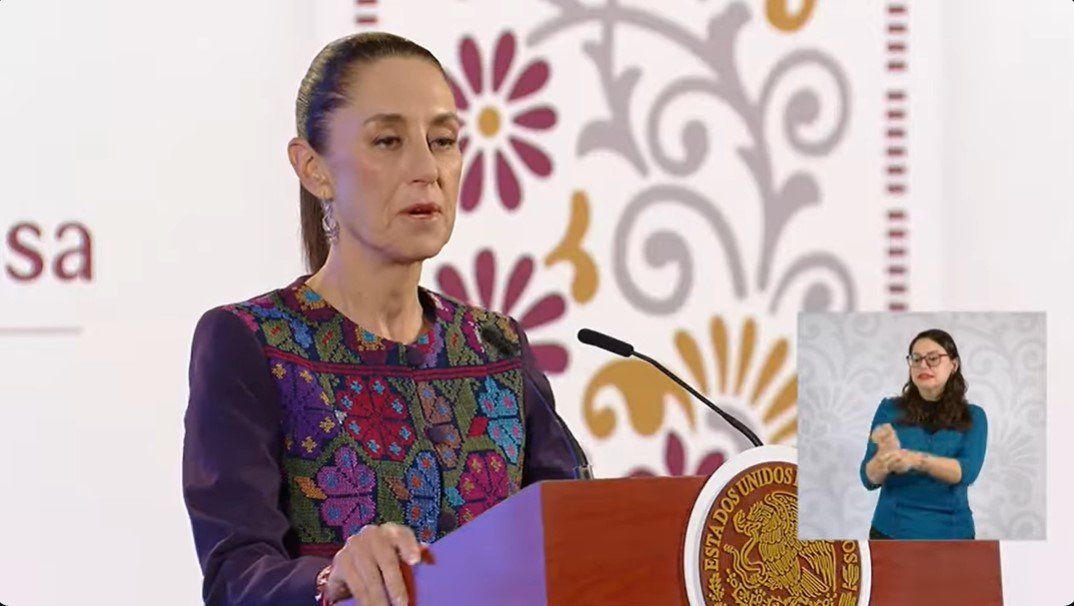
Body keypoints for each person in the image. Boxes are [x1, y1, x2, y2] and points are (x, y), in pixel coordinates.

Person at [181, 32, 582, 606]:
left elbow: (575, 538)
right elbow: (234, 577)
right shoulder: (251, 342)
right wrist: (333, 577)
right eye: (388, 141)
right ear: (313, 169)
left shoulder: (496, 346)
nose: (427, 169)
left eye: (442, 140)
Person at [859, 328, 988, 540]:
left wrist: (916, 460)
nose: (923, 365)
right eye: (916, 359)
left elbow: (967, 472)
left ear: (953, 365)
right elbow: (868, 479)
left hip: (952, 534)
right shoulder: (889, 409)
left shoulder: (974, 416)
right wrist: (883, 460)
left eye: (933, 358)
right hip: (890, 532)